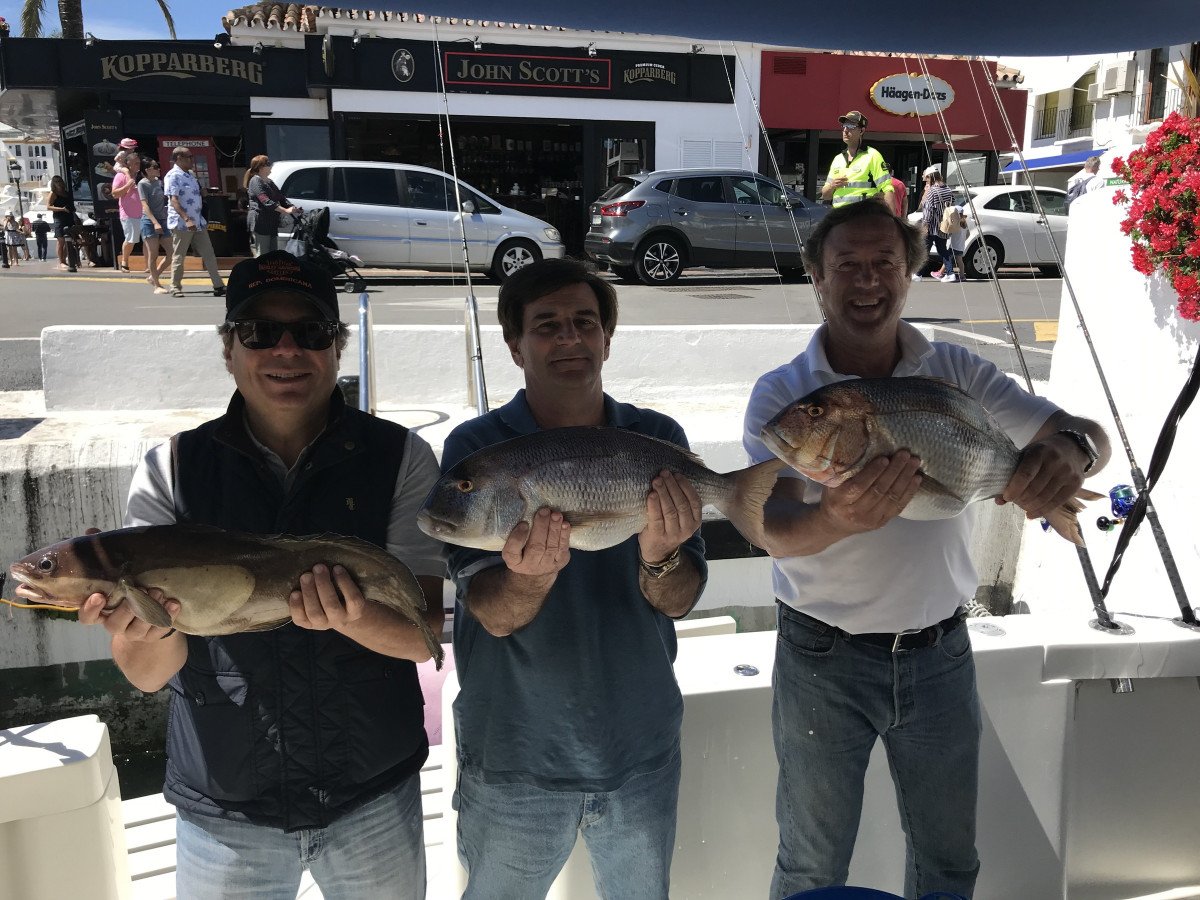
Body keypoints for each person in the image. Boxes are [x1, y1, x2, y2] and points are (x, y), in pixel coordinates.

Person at [742, 200, 1110, 899]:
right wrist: (836, 519)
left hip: (940, 653)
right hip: (821, 658)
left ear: (909, 274)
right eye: (846, 265)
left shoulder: (956, 371)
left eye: (885, 262)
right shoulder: (785, 395)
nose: (867, 280)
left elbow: (1089, 433)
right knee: (811, 864)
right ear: (817, 278)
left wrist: (1070, 452)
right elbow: (772, 526)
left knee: (949, 861)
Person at [75, 250, 445, 900]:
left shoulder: (402, 459)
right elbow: (148, 674)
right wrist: (142, 628)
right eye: (259, 332)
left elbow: (423, 637)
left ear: (337, 346)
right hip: (227, 807)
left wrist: (354, 616)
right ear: (229, 349)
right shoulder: (171, 470)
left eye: (310, 331)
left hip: (370, 795)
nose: (286, 350)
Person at [443, 257, 707, 900]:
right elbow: (493, 614)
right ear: (515, 346)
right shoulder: (475, 454)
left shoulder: (657, 439)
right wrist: (530, 579)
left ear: (606, 340)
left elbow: (680, 600)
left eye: (585, 322)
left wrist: (660, 555)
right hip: (514, 759)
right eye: (547, 325)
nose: (570, 338)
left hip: (639, 750)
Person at [164, 145, 225, 299]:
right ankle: (175, 286)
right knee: (179, 255)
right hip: (182, 223)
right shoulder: (173, 176)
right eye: (189, 157)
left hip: (198, 221)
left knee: (209, 253)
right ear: (179, 158)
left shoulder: (190, 175)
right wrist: (186, 219)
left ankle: (218, 285)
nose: (192, 160)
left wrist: (204, 192)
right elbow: (174, 200)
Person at [820, 111, 894, 209]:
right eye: (844, 126)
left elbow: (887, 189)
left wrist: (891, 217)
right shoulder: (837, 159)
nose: (845, 130)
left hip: (863, 214)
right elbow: (826, 196)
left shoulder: (872, 155)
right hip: (840, 215)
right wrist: (832, 186)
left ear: (861, 131)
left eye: (851, 126)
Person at [245, 155, 300, 257]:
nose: (270, 166)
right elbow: (265, 200)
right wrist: (285, 211)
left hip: (272, 223)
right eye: (268, 164)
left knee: (273, 255)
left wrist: (293, 208)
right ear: (261, 167)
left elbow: (281, 198)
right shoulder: (255, 181)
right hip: (260, 223)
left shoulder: (269, 182)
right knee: (262, 255)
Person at [138, 157, 173, 295]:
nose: (158, 169)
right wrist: (155, 222)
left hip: (163, 219)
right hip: (149, 221)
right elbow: (144, 205)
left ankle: (154, 276)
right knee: (153, 254)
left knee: (172, 253)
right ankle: (157, 285)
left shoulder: (159, 182)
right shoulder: (143, 184)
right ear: (147, 170)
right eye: (155, 167)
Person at [918, 166, 956, 282]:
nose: (926, 180)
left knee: (925, 250)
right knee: (942, 250)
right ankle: (950, 273)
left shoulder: (932, 191)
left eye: (927, 178)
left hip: (932, 226)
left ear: (930, 177)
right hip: (944, 225)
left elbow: (928, 210)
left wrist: (925, 225)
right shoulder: (948, 189)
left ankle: (918, 274)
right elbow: (953, 203)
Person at [111, 152, 142, 273]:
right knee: (131, 239)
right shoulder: (121, 176)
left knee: (148, 238)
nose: (138, 165)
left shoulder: (140, 175)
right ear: (128, 164)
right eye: (135, 163)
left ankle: (149, 265)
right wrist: (128, 185)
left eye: (138, 163)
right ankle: (125, 261)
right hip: (129, 213)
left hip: (144, 212)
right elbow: (115, 194)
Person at [47, 174, 77, 272]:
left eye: (60, 181)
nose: (59, 184)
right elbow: (48, 207)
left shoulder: (66, 193)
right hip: (59, 218)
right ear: (53, 184)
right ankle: (61, 261)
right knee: (61, 240)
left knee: (69, 239)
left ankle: (65, 259)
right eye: (56, 182)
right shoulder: (53, 193)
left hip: (69, 217)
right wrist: (62, 209)